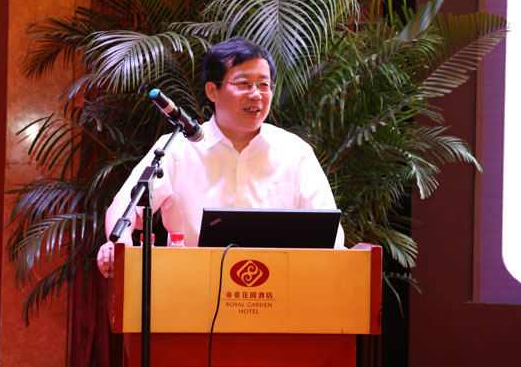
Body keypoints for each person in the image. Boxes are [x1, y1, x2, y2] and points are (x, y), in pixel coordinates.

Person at [96, 36, 344, 278]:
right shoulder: (178, 148)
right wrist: (119, 247)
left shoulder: (294, 151)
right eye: (244, 83)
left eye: (264, 85)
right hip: (190, 286)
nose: (256, 94)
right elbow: (124, 207)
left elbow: (329, 231)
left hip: (279, 289)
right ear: (212, 91)